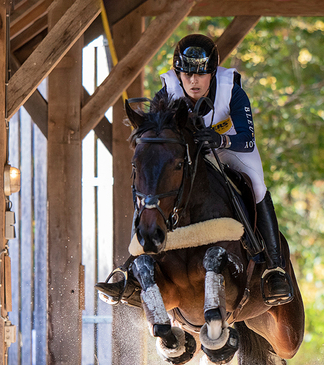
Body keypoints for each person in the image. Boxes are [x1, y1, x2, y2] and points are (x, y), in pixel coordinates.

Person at [97, 33, 293, 306]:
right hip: (189, 154)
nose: (193, 81)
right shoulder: (167, 92)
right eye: (187, 74)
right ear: (178, 73)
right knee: (152, 185)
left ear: (212, 73)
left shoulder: (231, 90)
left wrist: (220, 139)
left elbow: (248, 138)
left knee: (257, 186)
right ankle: (130, 268)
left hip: (231, 147)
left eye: (201, 75)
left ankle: (274, 267)